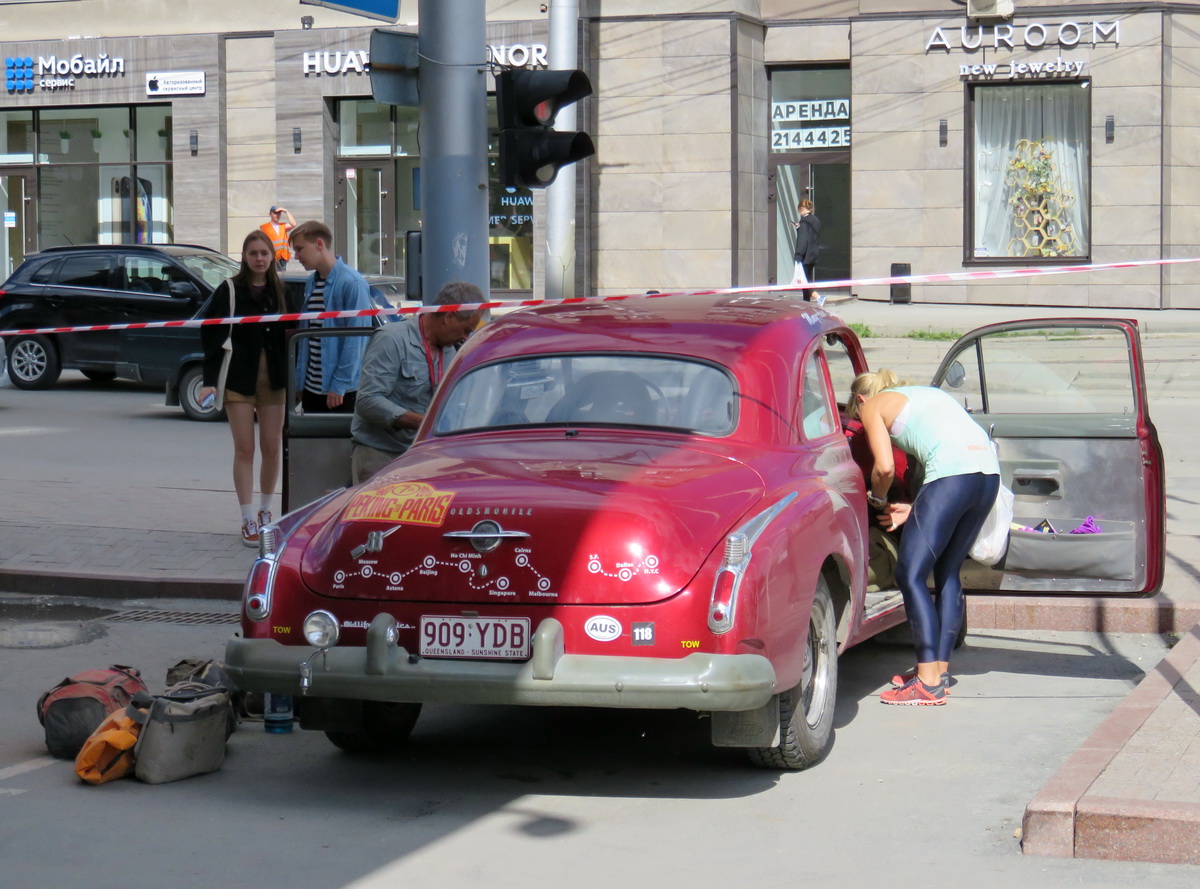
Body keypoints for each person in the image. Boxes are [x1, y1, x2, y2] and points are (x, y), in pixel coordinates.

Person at [847, 368, 1000, 706]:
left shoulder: (872, 407)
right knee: (947, 572)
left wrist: (877, 499)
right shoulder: (927, 396)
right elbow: (951, 456)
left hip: (951, 478)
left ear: (860, 400)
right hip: (987, 475)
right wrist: (916, 507)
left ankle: (927, 684)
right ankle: (938, 673)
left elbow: (885, 468)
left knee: (910, 573)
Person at [198, 230, 291, 547]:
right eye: (253, 253)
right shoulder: (230, 289)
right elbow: (211, 336)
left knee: (272, 446)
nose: (260, 259)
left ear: (272, 256)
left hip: (275, 378)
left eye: (264, 253)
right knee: (245, 449)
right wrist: (209, 381)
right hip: (238, 377)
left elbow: (294, 335)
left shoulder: (282, 290)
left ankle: (267, 511)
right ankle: (247, 516)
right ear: (245, 256)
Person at [350, 282, 484, 484]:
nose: (466, 338)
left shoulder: (450, 349)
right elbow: (367, 401)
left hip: (424, 458)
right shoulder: (392, 340)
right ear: (449, 317)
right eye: (466, 330)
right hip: (381, 456)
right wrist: (423, 423)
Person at [289, 220, 373, 414]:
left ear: (319, 244)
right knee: (315, 444)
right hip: (312, 387)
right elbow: (308, 337)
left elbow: (356, 339)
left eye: (300, 249)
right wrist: (301, 382)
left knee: (340, 443)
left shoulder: (352, 282)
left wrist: (340, 384)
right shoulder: (312, 282)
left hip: (340, 391)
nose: (296, 256)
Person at [792, 199, 823, 306]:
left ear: (801, 209)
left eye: (799, 211)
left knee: (804, 281)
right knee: (806, 279)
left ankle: (819, 298)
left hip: (805, 255)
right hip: (813, 254)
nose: (799, 213)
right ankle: (807, 303)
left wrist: (798, 255)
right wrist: (799, 229)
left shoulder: (804, 221)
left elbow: (803, 239)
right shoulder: (815, 220)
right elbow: (811, 236)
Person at [259, 206, 296, 271]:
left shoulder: (283, 226)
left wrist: (286, 211)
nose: (277, 215)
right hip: (273, 258)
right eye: (275, 213)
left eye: (279, 214)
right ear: (270, 214)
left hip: (283, 256)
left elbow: (293, 224)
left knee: (283, 277)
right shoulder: (264, 228)